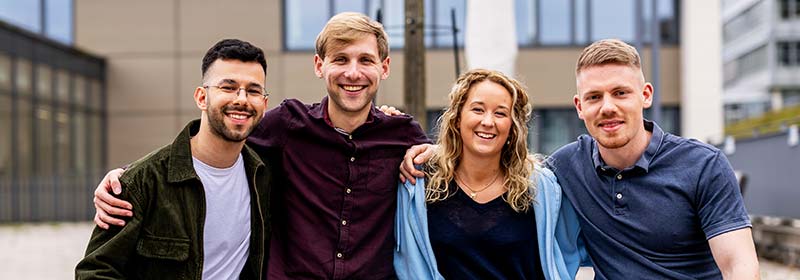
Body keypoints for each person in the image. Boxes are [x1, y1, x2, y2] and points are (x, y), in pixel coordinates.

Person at [92, 12, 429, 279]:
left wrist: (435, 152)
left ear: (384, 68)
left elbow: (462, 162)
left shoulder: (402, 134)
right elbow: (213, 138)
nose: (353, 72)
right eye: (340, 59)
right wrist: (125, 179)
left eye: (365, 61)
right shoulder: (286, 125)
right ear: (319, 65)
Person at [400, 39, 760, 279]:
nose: (608, 107)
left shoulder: (703, 165)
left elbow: (739, 264)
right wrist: (437, 152)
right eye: (594, 97)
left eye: (620, 93)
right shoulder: (565, 168)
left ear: (645, 95)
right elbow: (497, 160)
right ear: (579, 107)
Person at [75, 39, 272, 279]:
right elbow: (95, 272)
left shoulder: (265, 176)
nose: (241, 99)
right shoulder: (143, 182)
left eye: (253, 90)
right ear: (201, 97)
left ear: (264, 103)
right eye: (228, 87)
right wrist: (127, 179)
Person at [394, 69, 585, 280]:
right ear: (457, 118)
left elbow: (569, 253)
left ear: (513, 127)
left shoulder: (541, 188)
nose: (488, 121)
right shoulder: (419, 183)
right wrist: (386, 118)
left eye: (501, 113)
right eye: (477, 109)